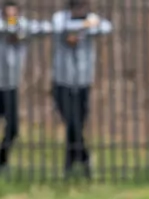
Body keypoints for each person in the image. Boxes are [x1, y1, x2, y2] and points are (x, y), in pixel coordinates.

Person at [0, 4, 47, 171]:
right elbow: (1, 28)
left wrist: (21, 33)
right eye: (8, 10)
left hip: (11, 86)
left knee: (13, 128)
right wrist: (18, 31)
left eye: (14, 10)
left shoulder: (22, 25)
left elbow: (44, 28)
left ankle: (1, 160)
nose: (11, 13)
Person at [49, 4, 110, 179]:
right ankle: (84, 158)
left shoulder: (91, 19)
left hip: (83, 81)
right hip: (62, 81)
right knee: (72, 122)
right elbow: (59, 27)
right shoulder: (61, 18)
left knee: (75, 126)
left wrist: (88, 24)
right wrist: (84, 26)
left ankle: (69, 166)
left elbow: (106, 27)